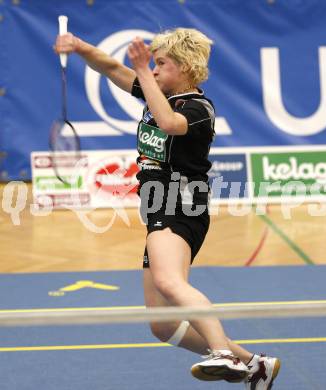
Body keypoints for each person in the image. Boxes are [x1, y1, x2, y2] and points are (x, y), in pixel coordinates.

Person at [55, 27, 280, 388]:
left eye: (162, 64)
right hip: (159, 205)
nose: (154, 71)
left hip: (181, 203)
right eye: (153, 64)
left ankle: (221, 352)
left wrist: (143, 70)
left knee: (168, 281)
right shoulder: (157, 92)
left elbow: (169, 123)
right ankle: (254, 364)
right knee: (162, 324)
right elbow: (111, 67)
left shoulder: (198, 108)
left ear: (187, 67)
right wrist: (78, 46)